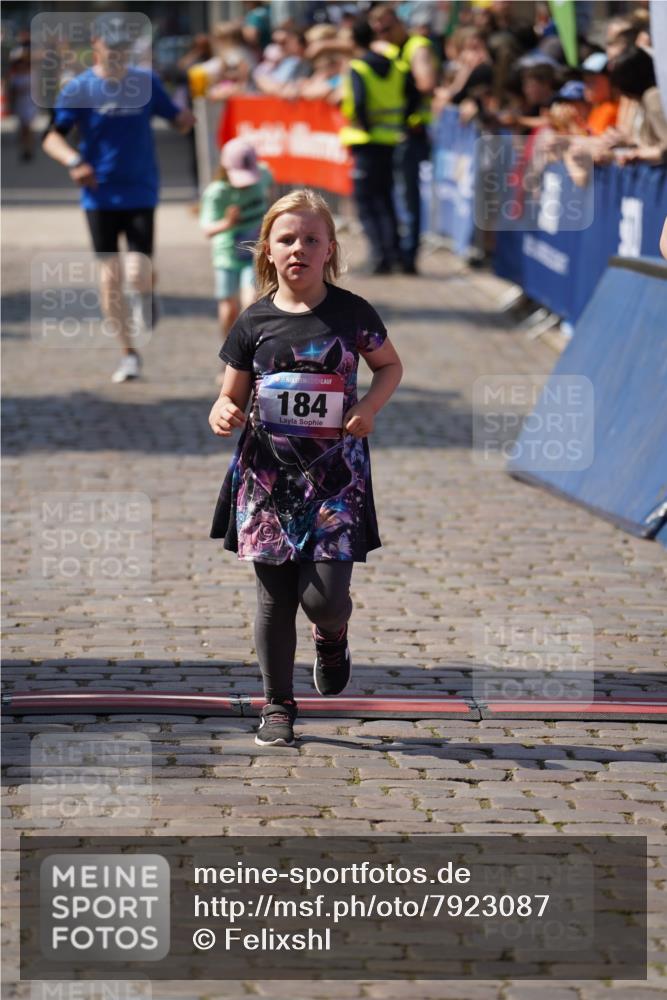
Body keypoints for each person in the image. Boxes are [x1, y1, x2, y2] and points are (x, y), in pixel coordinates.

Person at [208, 189, 403, 746]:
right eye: (287, 239)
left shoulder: (352, 312)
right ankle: (277, 705)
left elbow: (388, 366)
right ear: (267, 250)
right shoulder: (254, 321)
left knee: (321, 598)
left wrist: (367, 407)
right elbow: (231, 394)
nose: (299, 248)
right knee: (274, 598)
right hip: (266, 479)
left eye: (311, 240)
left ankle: (333, 632)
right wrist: (223, 410)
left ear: (330, 250)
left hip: (336, 480)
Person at [42, 14, 194, 383]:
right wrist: (75, 160)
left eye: (124, 46)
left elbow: (179, 121)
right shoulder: (78, 89)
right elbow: (53, 137)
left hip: (141, 189)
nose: (118, 52)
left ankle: (146, 294)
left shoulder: (146, 83)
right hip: (99, 194)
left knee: (138, 272)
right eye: (112, 45)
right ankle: (128, 353)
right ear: (96, 44)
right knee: (110, 277)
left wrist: (189, 111)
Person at [340, 18, 417, 274]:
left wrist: (363, 123)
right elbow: (413, 95)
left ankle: (379, 256)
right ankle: (392, 253)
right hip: (390, 140)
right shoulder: (396, 65)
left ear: (352, 40)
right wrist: (403, 122)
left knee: (367, 202)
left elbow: (359, 101)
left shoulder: (358, 67)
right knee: (386, 199)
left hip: (366, 141)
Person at [199, 138, 273, 379]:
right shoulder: (217, 192)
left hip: (253, 251)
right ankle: (228, 357)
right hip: (227, 255)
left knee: (251, 301)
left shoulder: (263, 175)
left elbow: (270, 197)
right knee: (228, 308)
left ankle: (250, 356)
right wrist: (227, 223)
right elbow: (207, 229)